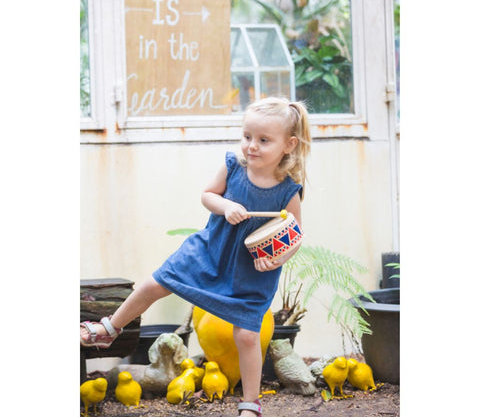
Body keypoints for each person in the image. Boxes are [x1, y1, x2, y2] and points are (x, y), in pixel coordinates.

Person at [80, 96, 311, 417]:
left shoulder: (289, 190)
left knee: (246, 335)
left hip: (252, 271)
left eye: (263, 140)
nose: (251, 146)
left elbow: (295, 234)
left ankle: (251, 402)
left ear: (289, 145)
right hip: (209, 251)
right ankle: (110, 327)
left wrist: (278, 258)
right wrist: (226, 206)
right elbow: (207, 195)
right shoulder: (234, 166)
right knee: (154, 284)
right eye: (247, 137)